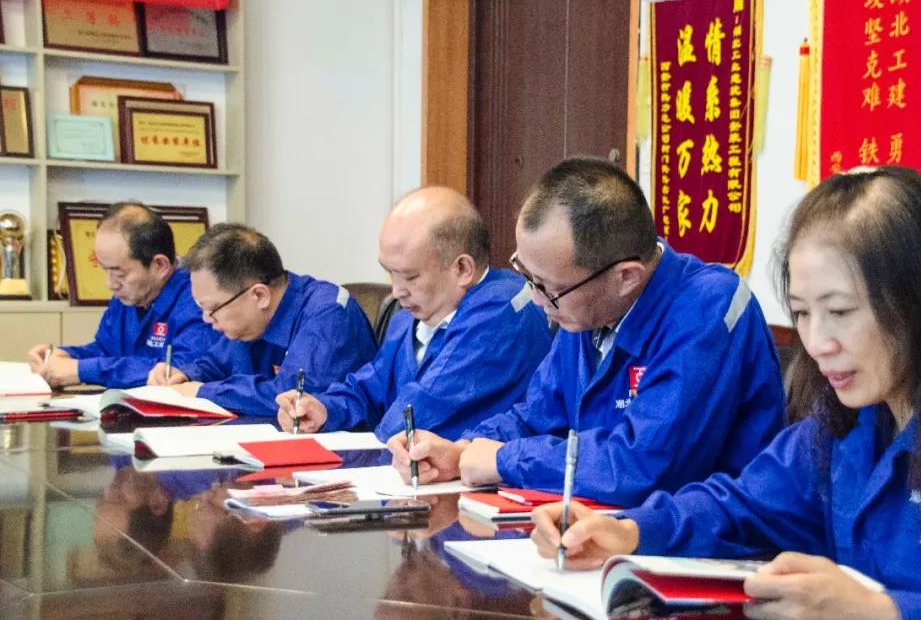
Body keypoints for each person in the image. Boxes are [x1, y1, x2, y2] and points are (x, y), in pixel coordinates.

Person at [530, 166, 921, 620]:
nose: (817, 344)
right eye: (801, 314)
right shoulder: (847, 420)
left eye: (839, 311)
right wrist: (629, 531)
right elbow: (742, 505)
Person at [390, 157, 785, 506]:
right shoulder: (584, 305)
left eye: (548, 287)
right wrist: (460, 450)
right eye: (527, 275)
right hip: (602, 526)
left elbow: (642, 466)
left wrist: (503, 459)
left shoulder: (708, 310)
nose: (536, 298)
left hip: (707, 546)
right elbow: (536, 415)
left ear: (626, 277)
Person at [275, 186, 552, 439]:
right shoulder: (411, 317)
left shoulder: (501, 310)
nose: (397, 291)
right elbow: (370, 387)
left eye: (410, 276)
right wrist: (324, 409)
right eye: (390, 272)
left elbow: (418, 412)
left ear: (462, 269)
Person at [147, 223, 376, 416]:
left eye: (213, 308)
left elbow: (292, 399)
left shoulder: (327, 315)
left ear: (259, 295)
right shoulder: (248, 320)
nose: (207, 320)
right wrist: (184, 374)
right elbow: (217, 363)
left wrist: (203, 392)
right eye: (201, 308)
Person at [27, 202, 218, 389]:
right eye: (105, 270)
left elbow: (175, 372)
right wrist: (66, 356)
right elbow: (106, 351)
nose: (110, 284)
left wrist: (82, 370)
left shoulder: (200, 298)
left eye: (119, 274)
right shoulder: (131, 294)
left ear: (159, 265)